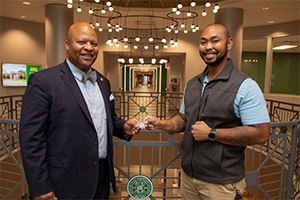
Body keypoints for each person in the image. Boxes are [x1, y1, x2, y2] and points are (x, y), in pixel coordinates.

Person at [143, 23, 270, 200]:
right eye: (203, 42)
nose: (208, 47)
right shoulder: (192, 84)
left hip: (222, 184)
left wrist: (212, 133)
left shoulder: (245, 86)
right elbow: (184, 119)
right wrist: (161, 124)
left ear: (229, 43)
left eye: (215, 41)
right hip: (188, 177)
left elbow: (261, 132)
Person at [19, 22, 140, 200]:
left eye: (94, 43)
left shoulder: (102, 81)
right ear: (67, 45)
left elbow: (106, 119)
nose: (89, 48)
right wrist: (40, 186)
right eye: (82, 42)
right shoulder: (44, 82)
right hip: (64, 181)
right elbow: (31, 139)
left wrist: (123, 127)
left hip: (101, 176)